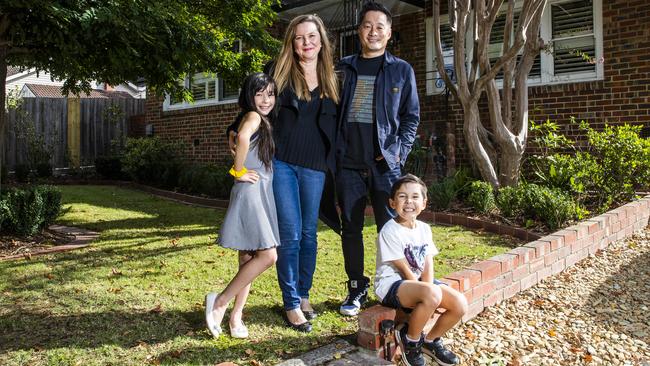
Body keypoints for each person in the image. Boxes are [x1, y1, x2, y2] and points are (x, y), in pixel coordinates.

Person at [231, 14, 339, 332]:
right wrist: (234, 134)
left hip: (316, 167)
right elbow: (253, 104)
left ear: (321, 41)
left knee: (309, 234)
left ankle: (304, 295)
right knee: (290, 235)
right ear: (292, 42)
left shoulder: (334, 78)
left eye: (312, 36)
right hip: (282, 164)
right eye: (299, 37)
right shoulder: (278, 72)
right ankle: (291, 304)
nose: (306, 42)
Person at [336, 0, 420, 316]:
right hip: (348, 164)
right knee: (351, 228)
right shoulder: (343, 67)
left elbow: (411, 116)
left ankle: (395, 287)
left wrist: (398, 152)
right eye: (367, 25)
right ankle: (356, 288)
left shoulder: (401, 70)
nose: (373, 31)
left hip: (385, 164)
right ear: (359, 31)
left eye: (379, 26)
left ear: (389, 33)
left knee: (391, 228)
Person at [205, 72, 280, 339]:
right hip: (251, 190)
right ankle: (220, 302)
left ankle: (235, 316)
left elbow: (241, 138)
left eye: (270, 93)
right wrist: (238, 171)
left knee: (248, 258)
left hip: (258, 191)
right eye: (259, 93)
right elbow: (243, 138)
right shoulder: (253, 117)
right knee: (268, 256)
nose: (265, 99)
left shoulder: (257, 118)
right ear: (249, 95)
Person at [375, 174, 467, 366]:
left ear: (424, 203)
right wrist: (427, 296)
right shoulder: (389, 230)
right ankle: (411, 341)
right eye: (402, 196)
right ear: (392, 203)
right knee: (432, 293)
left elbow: (427, 263)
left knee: (460, 304)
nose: (409, 201)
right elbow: (403, 269)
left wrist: (429, 292)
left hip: (418, 285)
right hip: (392, 285)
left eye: (415, 197)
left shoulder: (424, 228)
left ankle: (430, 341)